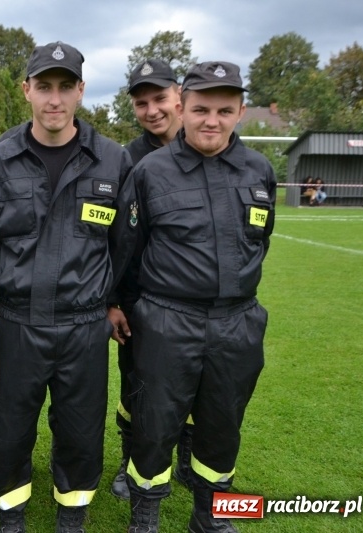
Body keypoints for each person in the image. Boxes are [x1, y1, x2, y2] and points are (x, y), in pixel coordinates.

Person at [0, 42, 136, 533]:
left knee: (81, 430)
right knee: (10, 427)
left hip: (83, 326)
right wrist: (12, 292)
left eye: (65, 87)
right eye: (44, 86)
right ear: (26, 89)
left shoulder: (112, 160)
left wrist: (106, 299)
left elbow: (123, 244)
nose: (54, 98)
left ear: (81, 91)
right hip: (19, 323)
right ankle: (11, 513)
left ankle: (72, 514)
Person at [122, 61, 275, 533]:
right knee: (154, 426)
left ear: (240, 112)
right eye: (201, 109)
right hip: (168, 320)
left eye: (224, 111)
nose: (212, 120)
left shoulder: (259, 170)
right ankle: (145, 516)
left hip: (238, 322)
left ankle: (211, 517)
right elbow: (128, 250)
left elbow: (261, 240)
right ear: (183, 108)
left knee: (223, 426)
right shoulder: (149, 171)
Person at [109, 59, 194, 500]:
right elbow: (118, 240)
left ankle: (188, 463)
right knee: (137, 388)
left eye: (160, 98)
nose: (152, 110)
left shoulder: (207, 147)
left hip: (196, 304)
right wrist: (115, 301)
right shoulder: (129, 159)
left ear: (179, 97)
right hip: (142, 302)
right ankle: (130, 464)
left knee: (197, 391)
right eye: (141, 103)